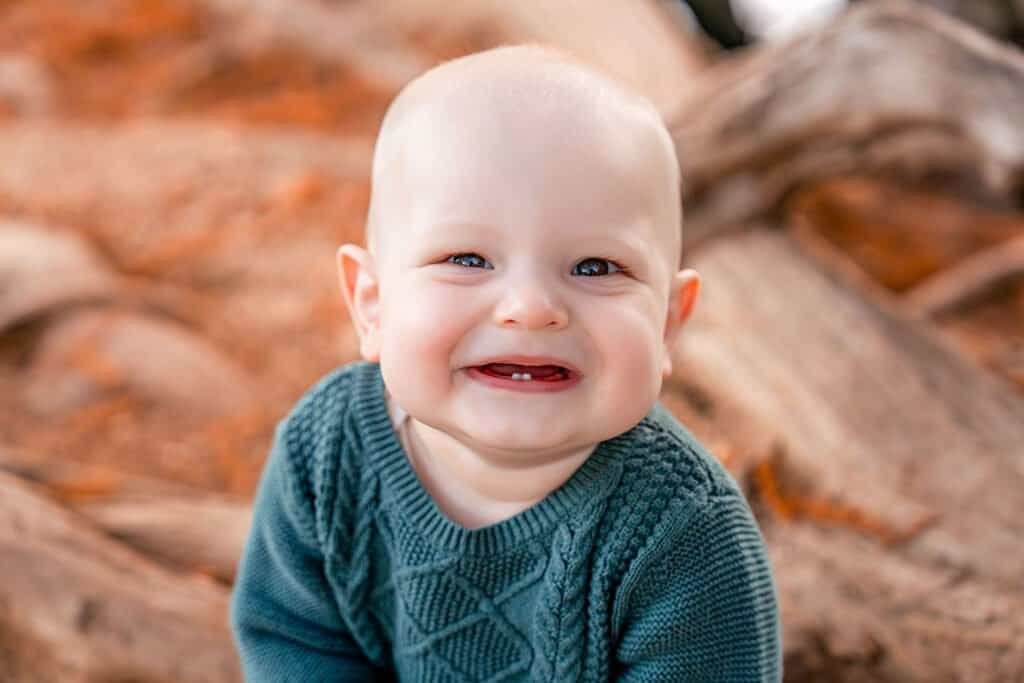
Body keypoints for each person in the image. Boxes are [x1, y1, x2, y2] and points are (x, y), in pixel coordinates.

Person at [230, 44, 782, 682]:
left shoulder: (684, 535)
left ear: (666, 325)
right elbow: (294, 637)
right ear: (371, 304)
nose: (530, 308)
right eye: (467, 260)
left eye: (596, 267)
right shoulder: (326, 449)